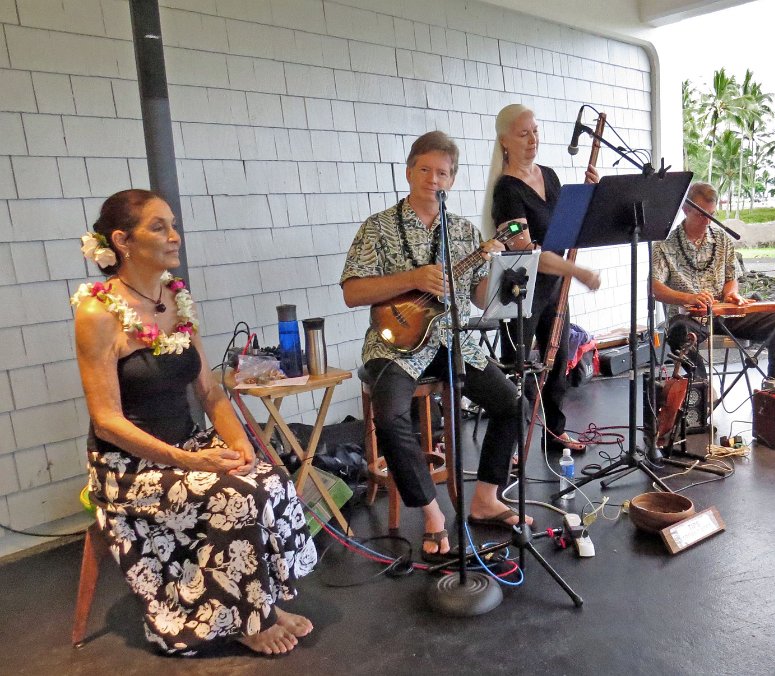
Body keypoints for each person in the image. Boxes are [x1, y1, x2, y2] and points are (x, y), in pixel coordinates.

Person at [72, 189, 316, 656]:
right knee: (235, 497)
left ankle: (262, 600)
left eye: (173, 225)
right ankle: (241, 619)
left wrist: (241, 447)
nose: (174, 237)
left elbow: (209, 391)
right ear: (122, 240)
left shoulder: (175, 298)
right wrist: (190, 460)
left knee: (271, 479)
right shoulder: (97, 311)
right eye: (159, 227)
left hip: (189, 445)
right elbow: (105, 421)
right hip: (129, 467)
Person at [341, 131, 530, 562]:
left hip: (454, 336)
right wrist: (412, 279)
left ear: (452, 180)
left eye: (442, 172)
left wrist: (505, 266)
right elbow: (352, 292)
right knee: (390, 416)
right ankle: (431, 514)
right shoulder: (378, 228)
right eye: (424, 169)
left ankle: (485, 496)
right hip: (396, 342)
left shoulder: (464, 231)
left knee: (512, 404)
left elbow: (480, 300)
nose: (433, 179)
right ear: (408, 172)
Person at [483, 103, 601, 454]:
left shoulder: (548, 175)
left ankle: (555, 433)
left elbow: (568, 227)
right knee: (517, 371)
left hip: (553, 288)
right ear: (504, 141)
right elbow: (529, 254)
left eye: (535, 130)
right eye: (523, 134)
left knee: (557, 362)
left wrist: (589, 194)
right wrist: (576, 272)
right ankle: (511, 446)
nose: (533, 139)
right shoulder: (506, 191)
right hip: (520, 290)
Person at [651, 181, 775, 382]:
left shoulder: (722, 240)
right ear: (685, 210)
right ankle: (700, 388)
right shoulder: (664, 244)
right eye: (702, 215)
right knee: (679, 333)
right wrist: (690, 298)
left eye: (712, 215)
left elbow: (731, 278)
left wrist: (731, 294)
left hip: (725, 314)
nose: (707, 221)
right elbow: (655, 288)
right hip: (690, 320)